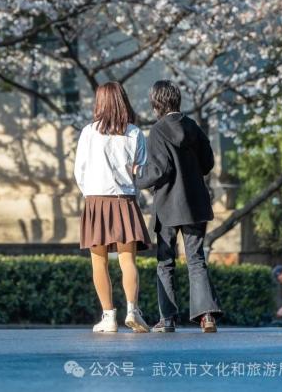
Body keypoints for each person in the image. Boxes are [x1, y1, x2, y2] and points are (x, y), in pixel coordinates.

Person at [134, 80, 222, 333]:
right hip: (195, 203)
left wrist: (137, 176)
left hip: (167, 206)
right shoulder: (193, 126)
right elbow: (208, 163)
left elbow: (160, 170)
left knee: (165, 262)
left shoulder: (158, 131)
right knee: (196, 260)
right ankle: (207, 317)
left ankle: (168, 320)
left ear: (157, 103)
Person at [74, 81, 152, 334]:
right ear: (122, 101)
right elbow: (141, 169)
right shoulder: (134, 133)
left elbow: (80, 170)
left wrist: (90, 193)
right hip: (124, 200)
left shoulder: (88, 132)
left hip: (95, 200)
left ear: (100, 102)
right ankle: (133, 310)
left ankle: (108, 317)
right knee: (127, 260)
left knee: (99, 262)